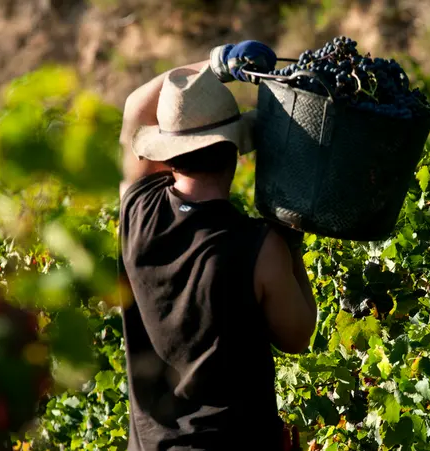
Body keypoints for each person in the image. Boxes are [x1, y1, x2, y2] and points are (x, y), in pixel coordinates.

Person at [117, 40, 317, 451]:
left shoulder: (137, 210)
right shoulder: (261, 248)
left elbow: (136, 106)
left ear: (169, 155)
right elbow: (298, 335)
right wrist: (292, 241)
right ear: (236, 153)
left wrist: (215, 63)